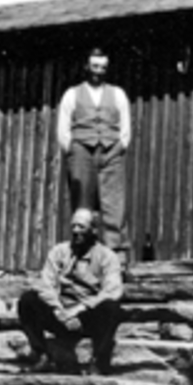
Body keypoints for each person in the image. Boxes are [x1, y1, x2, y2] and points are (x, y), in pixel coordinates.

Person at [17, 208, 123, 375]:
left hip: (87, 316)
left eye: (81, 227)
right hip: (60, 314)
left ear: (93, 230)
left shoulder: (107, 257)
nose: (75, 231)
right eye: (73, 226)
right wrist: (58, 310)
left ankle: (98, 362)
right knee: (28, 300)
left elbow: (112, 290)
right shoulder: (59, 251)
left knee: (111, 308)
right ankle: (42, 356)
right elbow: (45, 284)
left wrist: (79, 310)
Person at [57, 48, 132, 267]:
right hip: (81, 151)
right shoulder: (72, 94)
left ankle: (115, 255)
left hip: (111, 151)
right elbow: (63, 128)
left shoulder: (117, 94)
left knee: (114, 202)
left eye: (103, 68)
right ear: (86, 67)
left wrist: (120, 145)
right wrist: (71, 148)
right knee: (82, 202)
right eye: (94, 67)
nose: (98, 72)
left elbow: (125, 126)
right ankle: (82, 253)